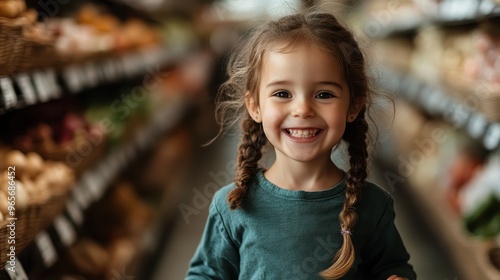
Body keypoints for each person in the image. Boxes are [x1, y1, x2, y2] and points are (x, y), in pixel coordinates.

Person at [186, 9, 416, 280]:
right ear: (255, 106)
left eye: (324, 94)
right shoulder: (233, 206)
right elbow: (206, 274)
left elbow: (393, 267)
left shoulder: (372, 206)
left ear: (353, 105)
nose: (303, 109)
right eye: (282, 93)